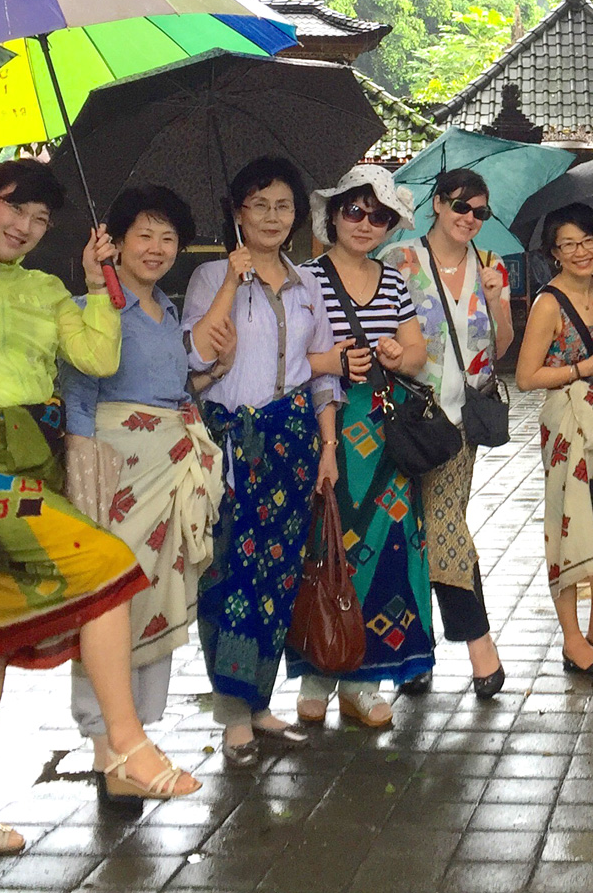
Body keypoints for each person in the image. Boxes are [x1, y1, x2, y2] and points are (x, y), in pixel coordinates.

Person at [0, 158, 198, 850]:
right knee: (106, 561)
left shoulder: (47, 290)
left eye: (39, 221)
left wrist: (95, 289)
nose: (25, 228)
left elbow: (94, 357)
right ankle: (124, 745)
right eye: (14, 210)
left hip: (36, 454)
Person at [60, 186, 225, 806]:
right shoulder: (91, 307)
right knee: (108, 599)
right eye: (143, 235)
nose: (156, 249)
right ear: (116, 241)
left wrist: (210, 374)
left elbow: (175, 388)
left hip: (169, 461)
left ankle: (136, 736)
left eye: (167, 238)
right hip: (113, 463)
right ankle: (105, 745)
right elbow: (79, 390)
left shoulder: (172, 312)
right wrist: (82, 460)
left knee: (156, 591)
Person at [183, 158, 342, 764]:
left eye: (282, 205)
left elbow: (321, 373)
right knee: (229, 575)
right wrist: (230, 281)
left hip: (294, 443)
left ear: (296, 215)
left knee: (278, 574)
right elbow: (196, 358)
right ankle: (231, 711)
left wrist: (328, 447)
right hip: (232, 444)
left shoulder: (307, 285)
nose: (272, 217)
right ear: (237, 214)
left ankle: (260, 699)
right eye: (258, 205)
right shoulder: (208, 277)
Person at [297, 166, 434, 726]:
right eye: (355, 210)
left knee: (390, 547)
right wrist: (333, 362)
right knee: (326, 544)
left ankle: (366, 676)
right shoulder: (304, 279)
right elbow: (281, 363)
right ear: (331, 215)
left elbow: (417, 349)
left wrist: (402, 358)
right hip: (325, 428)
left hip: (386, 434)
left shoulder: (395, 281)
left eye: (378, 216)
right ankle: (317, 668)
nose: (365, 223)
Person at [380, 168, 512, 698]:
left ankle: (476, 647)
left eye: (480, 212)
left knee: (441, 521)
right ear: (437, 204)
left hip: (462, 422)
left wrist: (499, 300)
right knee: (408, 532)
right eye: (460, 206)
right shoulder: (398, 261)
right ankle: (419, 653)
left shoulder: (491, 265)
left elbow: (498, 349)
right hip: (408, 416)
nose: (469, 219)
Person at [516, 203, 593, 679]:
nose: (581, 251)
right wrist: (581, 369)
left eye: (588, 240)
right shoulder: (549, 302)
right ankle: (572, 639)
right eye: (568, 244)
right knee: (571, 527)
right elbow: (527, 376)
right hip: (567, 425)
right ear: (554, 252)